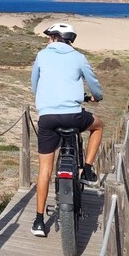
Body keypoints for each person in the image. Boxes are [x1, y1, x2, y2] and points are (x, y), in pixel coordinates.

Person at [30, 22, 103, 238]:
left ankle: (39, 221)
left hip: (48, 118)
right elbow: (93, 83)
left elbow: (34, 84)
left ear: (54, 37)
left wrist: (44, 100)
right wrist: (96, 97)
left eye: (48, 36)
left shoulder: (41, 56)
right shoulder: (79, 57)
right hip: (74, 115)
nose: (46, 40)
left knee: (45, 169)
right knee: (98, 126)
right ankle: (87, 169)